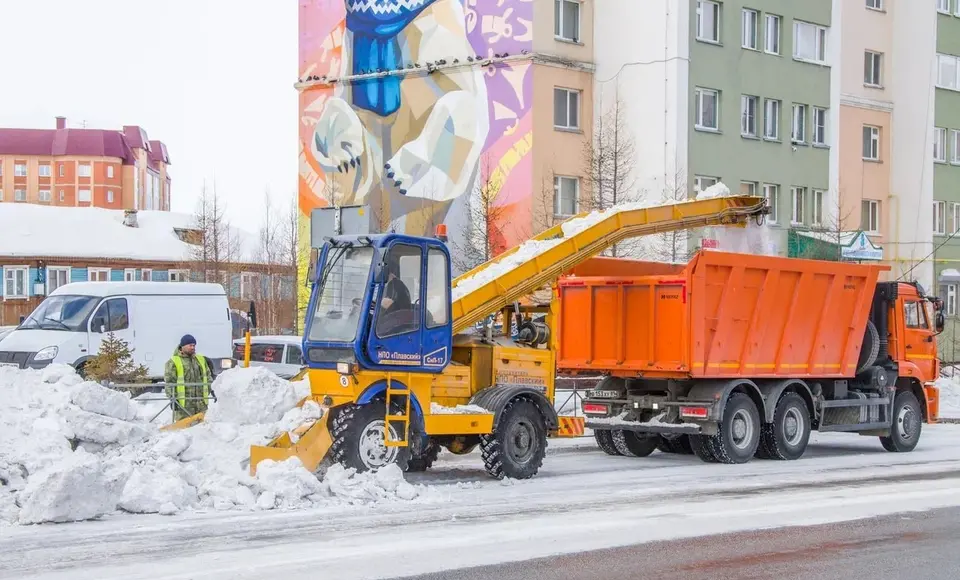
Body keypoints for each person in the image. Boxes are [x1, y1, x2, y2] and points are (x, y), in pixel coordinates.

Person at [164, 334, 212, 422]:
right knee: (184, 432)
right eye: (190, 345)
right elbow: (170, 383)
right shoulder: (173, 362)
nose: (193, 347)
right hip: (184, 407)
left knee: (202, 431)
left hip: (200, 405)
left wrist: (211, 389)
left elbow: (208, 377)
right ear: (183, 346)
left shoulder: (200, 360)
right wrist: (172, 399)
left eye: (194, 345)